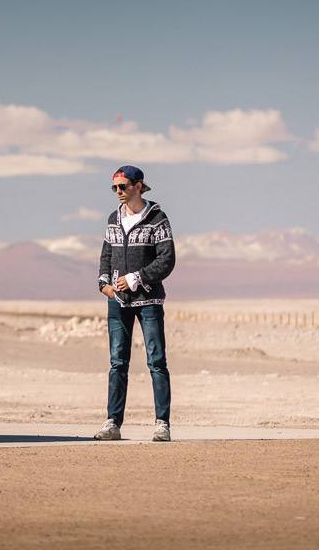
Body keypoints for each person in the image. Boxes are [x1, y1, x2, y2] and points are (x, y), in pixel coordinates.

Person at [94, 165, 175, 442]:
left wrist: (136, 278)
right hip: (118, 303)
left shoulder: (158, 219)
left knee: (157, 361)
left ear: (139, 186)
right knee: (118, 363)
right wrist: (104, 283)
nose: (119, 192)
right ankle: (112, 423)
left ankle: (161, 424)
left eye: (124, 186)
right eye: (115, 187)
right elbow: (106, 255)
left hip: (149, 300)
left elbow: (166, 260)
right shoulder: (113, 219)